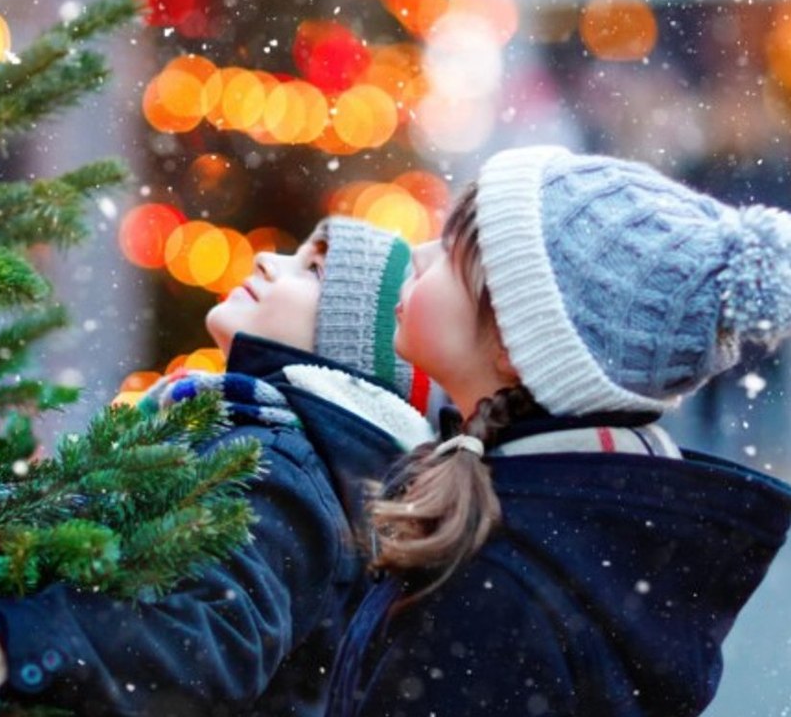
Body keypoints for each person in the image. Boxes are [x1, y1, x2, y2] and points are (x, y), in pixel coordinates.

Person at [0, 216, 435, 716]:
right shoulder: (257, 438)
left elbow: (211, 640)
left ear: (346, 348)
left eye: (313, 269)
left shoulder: (276, 465)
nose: (267, 260)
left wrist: (30, 638)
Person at [327, 146, 791, 717]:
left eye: (449, 254)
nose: (418, 255)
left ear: (512, 338)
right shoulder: (578, 531)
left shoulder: (490, 593)